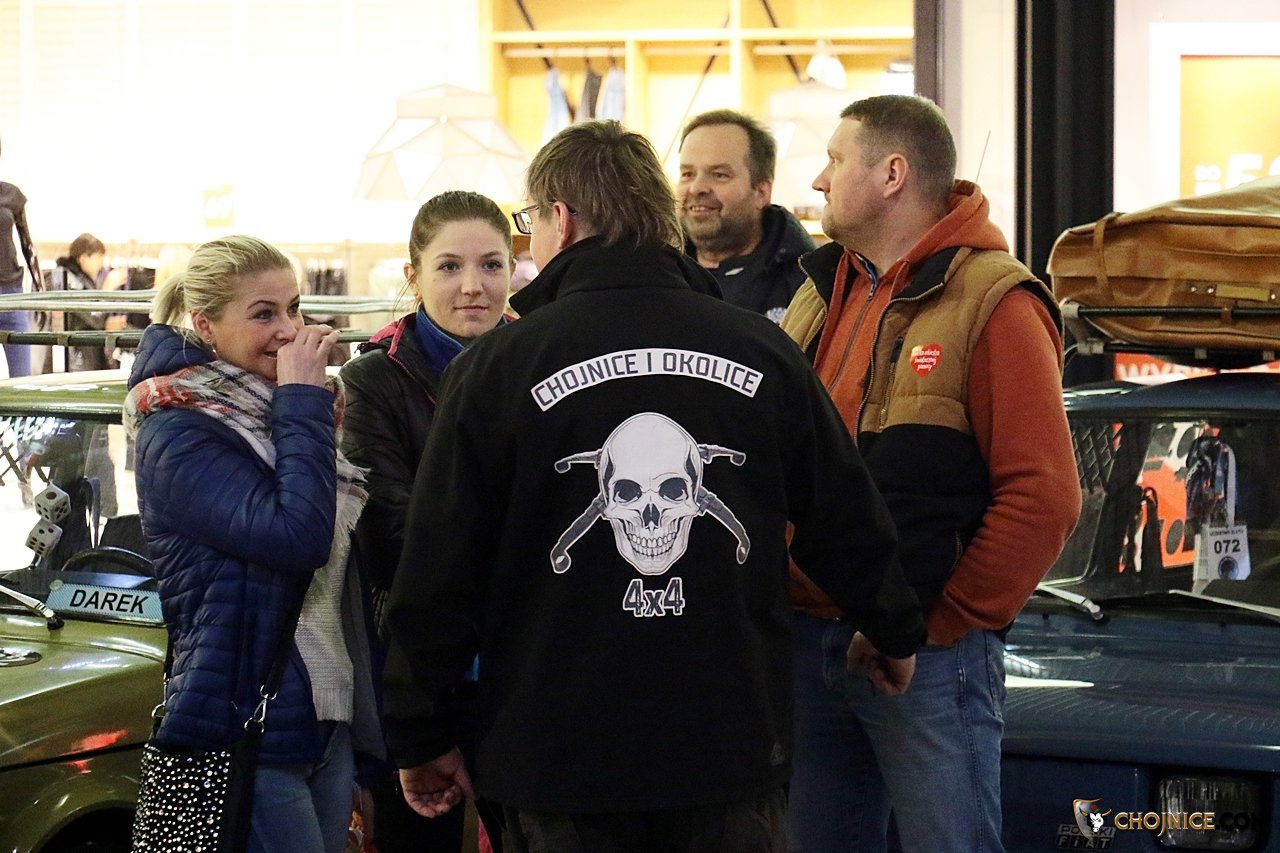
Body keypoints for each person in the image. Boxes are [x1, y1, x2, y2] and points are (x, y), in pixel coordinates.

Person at [379, 119, 926, 853]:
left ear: (561, 219)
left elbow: (439, 566)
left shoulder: (498, 368)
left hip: (558, 758)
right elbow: (844, 514)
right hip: (727, 751)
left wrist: (421, 730)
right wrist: (892, 626)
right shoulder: (760, 350)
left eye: (531, 222)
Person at [778, 94, 1082, 852]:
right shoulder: (819, 292)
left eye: (834, 159)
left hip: (932, 658)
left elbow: (1044, 498)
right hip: (806, 640)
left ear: (892, 174)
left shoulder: (995, 302)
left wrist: (931, 625)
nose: (818, 180)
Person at [124, 235, 382, 853]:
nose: (287, 330)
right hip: (244, 723)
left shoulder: (278, 414)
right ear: (205, 326)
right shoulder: (177, 429)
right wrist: (302, 399)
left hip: (323, 713)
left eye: (293, 308)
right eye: (263, 314)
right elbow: (299, 538)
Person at [340, 190, 512, 853]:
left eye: (491, 265)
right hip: (420, 675)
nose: (473, 286)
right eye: (449, 266)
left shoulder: (544, 364)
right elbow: (391, 534)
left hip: (526, 671)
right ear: (412, 276)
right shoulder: (373, 381)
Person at [677, 108, 815, 322]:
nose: (696, 188)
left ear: (761, 192)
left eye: (719, 175)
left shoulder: (809, 284)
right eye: (687, 174)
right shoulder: (654, 271)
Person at [52, 232, 127, 371]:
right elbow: (94, 317)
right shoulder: (70, 281)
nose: (101, 264)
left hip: (83, 355)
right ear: (83, 258)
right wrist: (108, 288)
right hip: (78, 359)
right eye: (98, 257)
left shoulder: (77, 279)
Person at [0, 135, 43, 377]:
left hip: (12, 293)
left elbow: (28, 244)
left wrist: (40, 289)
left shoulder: (11, 194)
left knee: (22, 378)